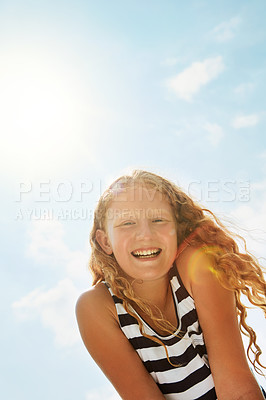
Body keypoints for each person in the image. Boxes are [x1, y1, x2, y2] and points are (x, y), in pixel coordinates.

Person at [76, 170, 266, 400]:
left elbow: (238, 389)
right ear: (105, 241)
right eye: (127, 222)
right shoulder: (97, 307)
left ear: (177, 228)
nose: (145, 234)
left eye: (158, 220)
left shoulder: (198, 265)